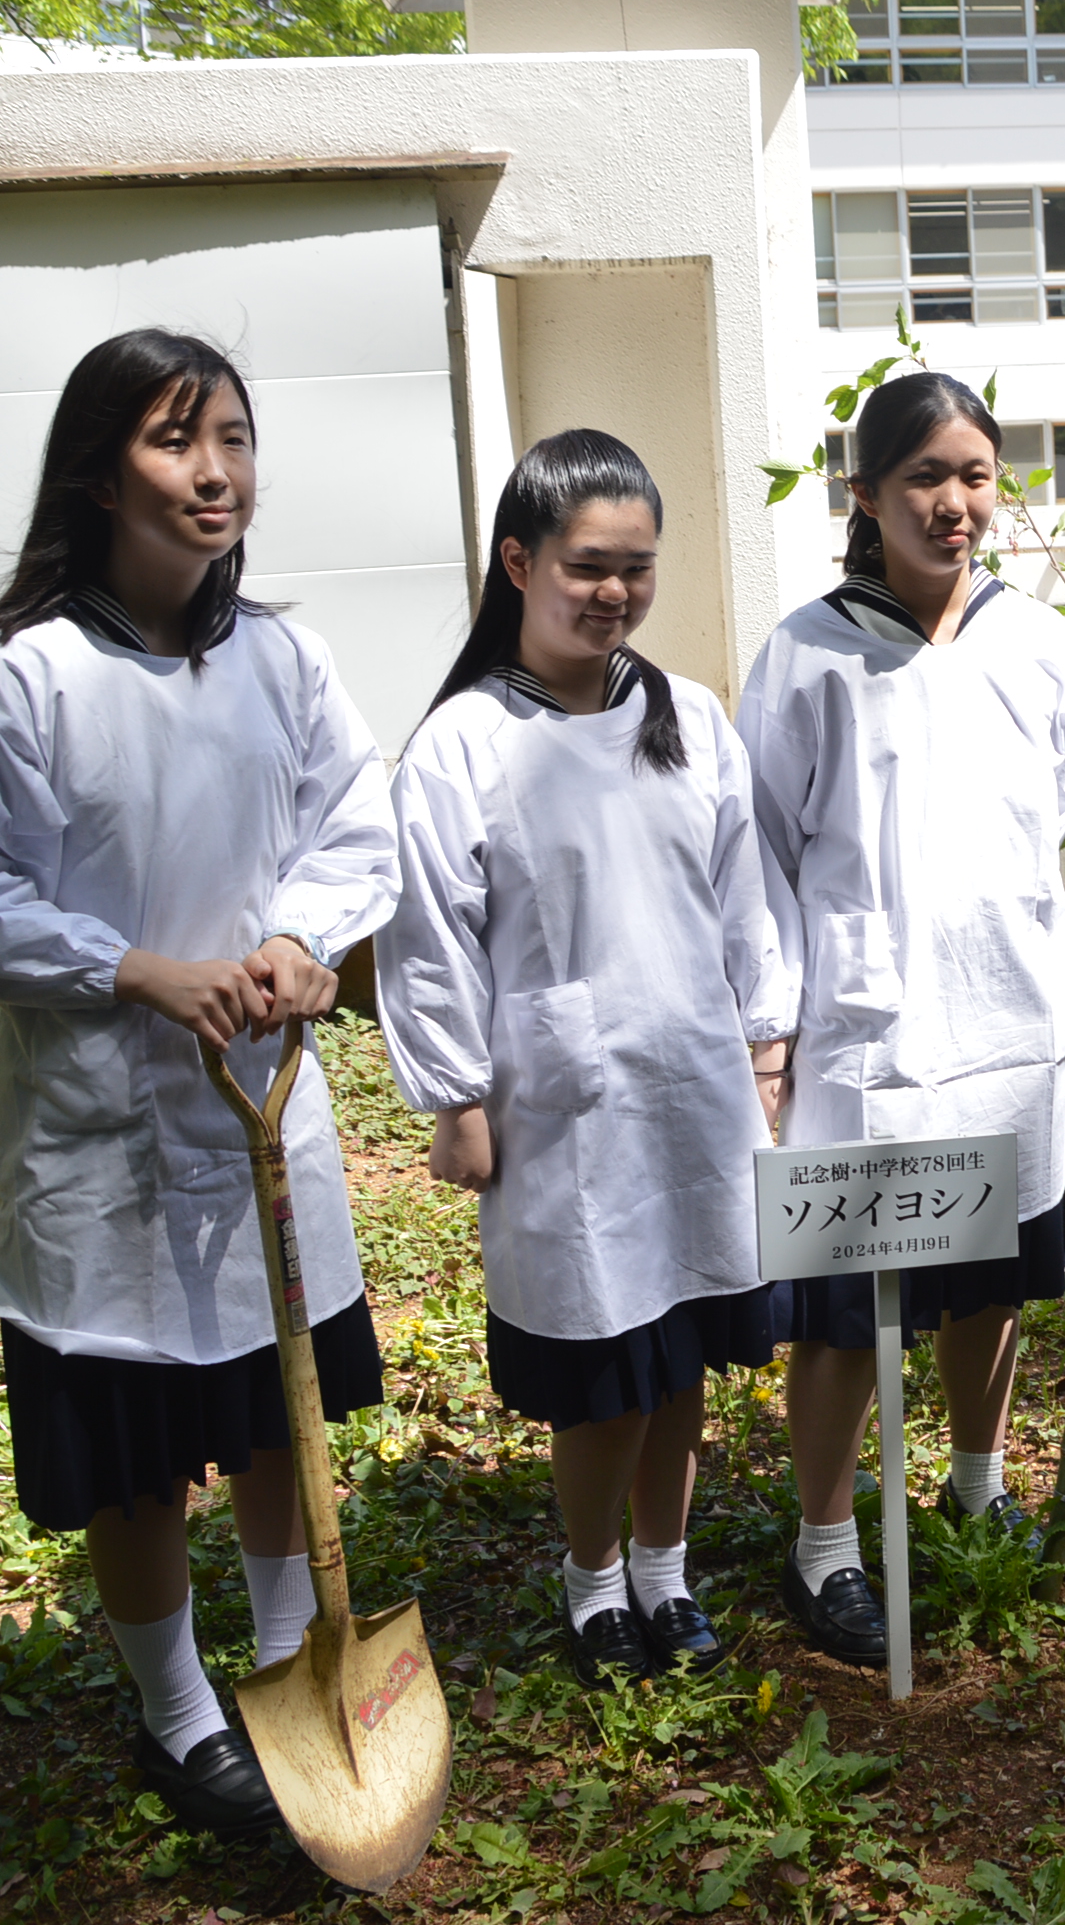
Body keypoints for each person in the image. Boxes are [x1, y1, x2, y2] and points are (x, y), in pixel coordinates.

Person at [0, 329, 397, 1835]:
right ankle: (182, 1715)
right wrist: (133, 968)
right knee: (137, 1451)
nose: (216, 471)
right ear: (103, 470)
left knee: (271, 1411)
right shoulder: (16, 683)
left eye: (234, 437)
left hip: (259, 1111)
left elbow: (352, 820)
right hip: (102, 1136)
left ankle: (297, 1659)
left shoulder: (282, 658)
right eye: (179, 441)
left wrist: (303, 938)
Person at [377, 430, 800, 1685]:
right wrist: (452, 1093)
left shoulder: (687, 716)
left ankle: (664, 1570)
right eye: (586, 565)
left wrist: (765, 1035)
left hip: (693, 1080)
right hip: (560, 1099)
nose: (613, 591)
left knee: (680, 1352)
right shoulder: (462, 743)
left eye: (637, 566)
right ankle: (589, 1575)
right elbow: (428, 933)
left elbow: (745, 894)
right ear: (519, 561)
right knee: (601, 1367)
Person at [737, 372, 1065, 1668]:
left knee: (990, 1275)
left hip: (1002, 1019)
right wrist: (770, 1030)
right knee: (845, 1307)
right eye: (925, 478)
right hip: (863, 1041)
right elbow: (759, 853)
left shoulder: (1038, 643)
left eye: (976, 475)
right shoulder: (809, 653)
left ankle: (979, 1488)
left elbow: (1044, 815)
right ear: (866, 495)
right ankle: (824, 1545)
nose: (953, 503)